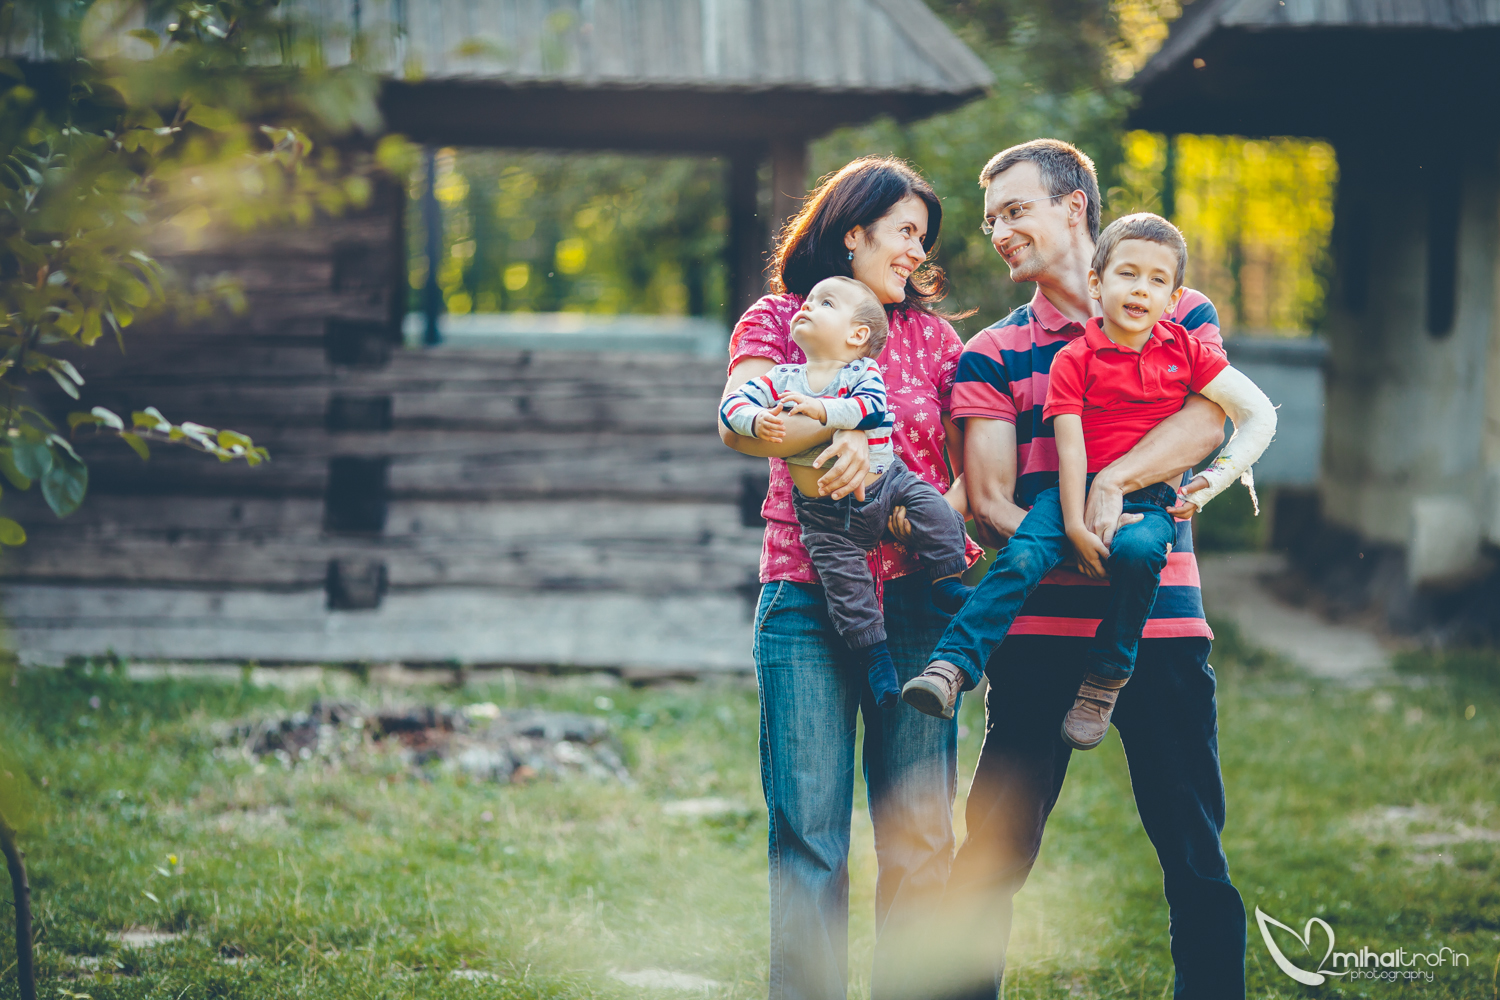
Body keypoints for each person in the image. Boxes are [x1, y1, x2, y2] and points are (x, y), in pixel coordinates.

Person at [903, 139, 1248, 1000]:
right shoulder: (993, 352)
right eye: (990, 221)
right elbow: (987, 498)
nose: (999, 233)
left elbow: (1210, 421)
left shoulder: (1177, 305)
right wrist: (1077, 543)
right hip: (1039, 636)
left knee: (1194, 855)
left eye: (1015, 210)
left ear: (1073, 208)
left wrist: (1112, 485)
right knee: (993, 854)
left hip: (1161, 632)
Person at [717, 156, 980, 1000]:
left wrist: (897, 487)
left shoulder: (937, 341)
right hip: (803, 597)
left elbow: (966, 475)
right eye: (905, 231)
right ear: (853, 231)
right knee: (809, 838)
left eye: (923, 238)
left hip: (913, 605)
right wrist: (819, 432)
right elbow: (743, 420)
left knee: (919, 835)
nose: (916, 250)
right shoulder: (782, 318)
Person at [903, 214, 1275, 752]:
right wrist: (1075, 524)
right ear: (1098, 285)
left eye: (1156, 281)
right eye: (1127, 274)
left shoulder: (1188, 350)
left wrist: (1209, 485)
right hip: (1071, 490)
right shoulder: (1073, 358)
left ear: (1173, 299)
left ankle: (1107, 674)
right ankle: (951, 666)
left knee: (1142, 549)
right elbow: (1069, 449)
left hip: (1150, 499)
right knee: (1025, 554)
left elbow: (1256, 414)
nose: (1140, 289)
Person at [720, 275, 973, 707]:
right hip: (822, 516)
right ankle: (876, 660)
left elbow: (873, 408)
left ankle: (946, 579)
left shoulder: (862, 371)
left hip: (887, 485)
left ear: (858, 335)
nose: (810, 306)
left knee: (931, 505)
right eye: (812, 299)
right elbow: (732, 408)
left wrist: (824, 412)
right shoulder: (783, 376)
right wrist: (752, 419)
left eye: (826, 303)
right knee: (845, 585)